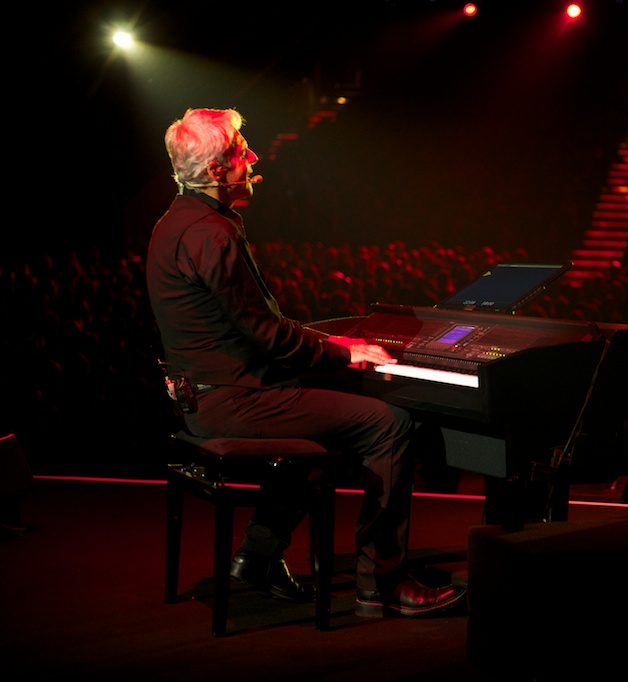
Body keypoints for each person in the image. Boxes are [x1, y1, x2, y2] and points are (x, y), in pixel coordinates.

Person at [146, 108, 464, 617]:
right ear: (214, 170)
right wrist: (345, 351)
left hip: (209, 394)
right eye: (241, 152)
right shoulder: (212, 234)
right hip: (234, 400)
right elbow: (270, 336)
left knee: (334, 416)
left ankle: (257, 556)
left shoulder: (176, 222)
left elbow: (257, 326)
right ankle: (382, 583)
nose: (254, 157)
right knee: (389, 424)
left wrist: (333, 343)